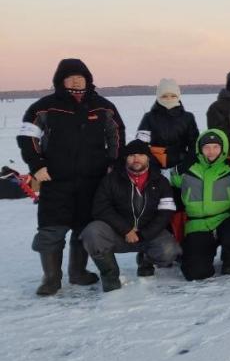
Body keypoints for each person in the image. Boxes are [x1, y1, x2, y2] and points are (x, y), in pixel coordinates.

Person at [18, 58, 125, 296]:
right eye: (70, 77)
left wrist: (113, 163)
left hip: (93, 181)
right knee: (51, 230)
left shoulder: (103, 106)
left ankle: (78, 272)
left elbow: (116, 134)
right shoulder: (44, 107)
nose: (76, 81)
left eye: (80, 77)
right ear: (61, 80)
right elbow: (27, 137)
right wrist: (37, 165)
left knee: (84, 229)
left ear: (88, 80)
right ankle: (51, 278)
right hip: (55, 180)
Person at [80, 140, 181, 291]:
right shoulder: (111, 180)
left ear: (148, 158)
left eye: (141, 155)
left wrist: (144, 234)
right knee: (92, 233)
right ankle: (110, 275)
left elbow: (166, 212)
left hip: (148, 233)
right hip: (118, 233)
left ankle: (145, 259)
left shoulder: (161, 182)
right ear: (125, 158)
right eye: (131, 155)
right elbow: (100, 208)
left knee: (170, 251)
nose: (136, 159)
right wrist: (126, 229)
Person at [170, 130, 230, 280]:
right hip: (197, 225)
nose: (211, 151)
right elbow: (166, 184)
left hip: (228, 219)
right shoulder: (184, 170)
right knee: (196, 273)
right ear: (199, 149)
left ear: (223, 148)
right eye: (206, 147)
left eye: (216, 147)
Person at [135, 79, 199, 170]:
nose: (169, 99)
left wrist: (186, 164)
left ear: (178, 96)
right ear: (158, 97)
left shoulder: (188, 117)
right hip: (154, 166)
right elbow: (140, 145)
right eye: (164, 96)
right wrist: (153, 164)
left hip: (182, 165)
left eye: (173, 96)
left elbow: (194, 145)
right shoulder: (149, 117)